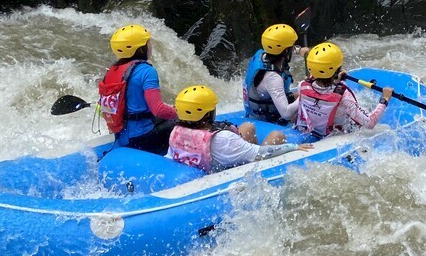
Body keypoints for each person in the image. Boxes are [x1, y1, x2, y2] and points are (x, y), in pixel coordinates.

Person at [167, 85, 313, 172]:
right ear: (207, 114)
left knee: (247, 127)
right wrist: (293, 147)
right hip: (229, 171)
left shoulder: (176, 132)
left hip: (211, 163)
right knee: (277, 136)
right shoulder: (223, 139)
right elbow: (263, 153)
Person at [98, 24, 178, 155]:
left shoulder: (112, 71)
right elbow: (158, 109)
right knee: (182, 123)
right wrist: (180, 112)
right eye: (148, 43)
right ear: (140, 48)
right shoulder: (147, 71)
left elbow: (107, 107)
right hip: (142, 138)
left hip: (121, 137)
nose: (150, 46)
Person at [295, 42, 394, 138]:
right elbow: (370, 123)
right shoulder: (343, 96)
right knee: (380, 123)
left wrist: (336, 80)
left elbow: (321, 87)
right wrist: (384, 99)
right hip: (333, 134)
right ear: (337, 70)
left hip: (311, 129)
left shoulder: (302, 85)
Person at [243, 23, 309, 124]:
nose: (292, 49)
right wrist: (306, 94)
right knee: (307, 99)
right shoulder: (273, 78)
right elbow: (286, 114)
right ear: (286, 51)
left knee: (298, 94)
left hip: (258, 108)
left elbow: (281, 48)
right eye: (292, 47)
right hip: (265, 119)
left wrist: (299, 50)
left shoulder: (262, 54)